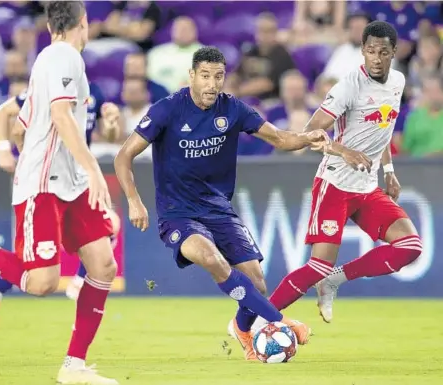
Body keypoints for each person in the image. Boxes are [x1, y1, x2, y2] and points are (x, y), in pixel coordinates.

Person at [0, 2, 119, 384]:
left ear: (50, 25)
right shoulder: (63, 56)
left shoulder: (61, 65)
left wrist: (27, 144)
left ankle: (74, 367)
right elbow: (62, 118)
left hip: (70, 184)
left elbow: (26, 122)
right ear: (83, 24)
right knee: (42, 284)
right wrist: (93, 170)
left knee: (103, 264)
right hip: (44, 185)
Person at [114, 46, 330, 361]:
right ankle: (278, 321)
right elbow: (124, 155)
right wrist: (134, 200)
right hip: (178, 214)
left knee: (257, 283)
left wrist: (307, 138)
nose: (213, 84)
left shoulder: (233, 110)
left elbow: (280, 139)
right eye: (205, 76)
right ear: (191, 76)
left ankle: (241, 329)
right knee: (210, 257)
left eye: (219, 77)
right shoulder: (168, 110)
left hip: (218, 210)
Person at [253, 21, 422, 328]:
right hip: (335, 183)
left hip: (367, 187)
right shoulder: (348, 86)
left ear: (393, 53)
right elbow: (309, 133)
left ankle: (334, 281)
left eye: (383, 52)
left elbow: (382, 129)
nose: (376, 58)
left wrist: (389, 170)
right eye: (370, 51)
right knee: (317, 266)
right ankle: (255, 323)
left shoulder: (397, 81)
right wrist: (344, 151)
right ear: (363, 51)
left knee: (410, 247)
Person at [0, 86, 121, 331]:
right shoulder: (48, 87)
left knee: (108, 228)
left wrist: (112, 122)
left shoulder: (93, 91)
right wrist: (4, 149)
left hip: (77, 180)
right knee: (39, 267)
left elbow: (109, 135)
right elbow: (6, 115)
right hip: (45, 182)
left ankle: (76, 282)